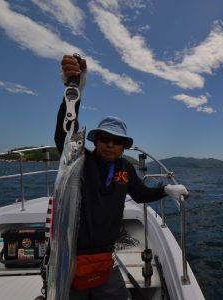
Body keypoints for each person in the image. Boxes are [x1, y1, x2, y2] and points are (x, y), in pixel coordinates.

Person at [55, 54, 189, 300]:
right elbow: (65, 137)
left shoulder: (125, 169)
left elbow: (140, 194)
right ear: (95, 141)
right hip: (70, 255)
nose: (109, 145)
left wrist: (165, 190)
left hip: (105, 257)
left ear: (124, 147)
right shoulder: (81, 161)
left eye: (117, 142)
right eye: (104, 139)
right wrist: (74, 91)